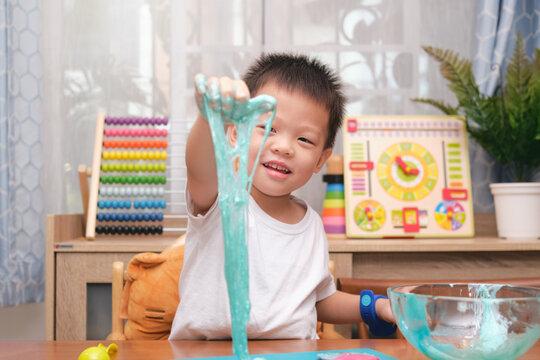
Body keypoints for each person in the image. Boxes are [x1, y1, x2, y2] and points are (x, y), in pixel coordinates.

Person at [169, 53, 395, 340]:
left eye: (304, 139)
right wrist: (208, 116)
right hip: (206, 353)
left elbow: (317, 300)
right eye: (268, 128)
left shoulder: (311, 224)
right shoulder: (221, 196)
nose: (284, 147)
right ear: (235, 133)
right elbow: (200, 167)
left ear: (320, 160)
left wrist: (374, 307)